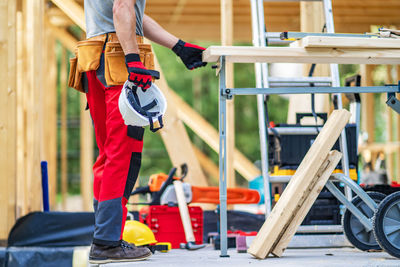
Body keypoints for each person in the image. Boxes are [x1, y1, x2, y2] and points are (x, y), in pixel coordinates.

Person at [68, 0, 207, 264]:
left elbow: (131, 15)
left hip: (96, 58)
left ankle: (105, 237)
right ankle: (107, 243)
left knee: (109, 155)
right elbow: (122, 8)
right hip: (116, 61)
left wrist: (177, 46)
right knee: (123, 156)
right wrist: (133, 60)